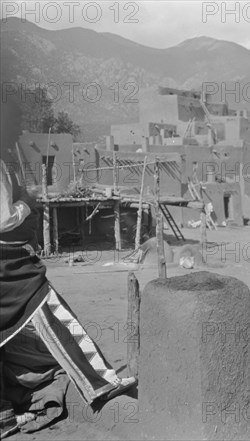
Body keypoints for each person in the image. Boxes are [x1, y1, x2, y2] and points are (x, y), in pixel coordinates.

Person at [0, 97, 136, 436]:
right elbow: (2, 218)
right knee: (51, 311)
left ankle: (9, 408)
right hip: (9, 264)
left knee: (10, 336)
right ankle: (100, 382)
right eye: (15, 126)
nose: (18, 133)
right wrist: (26, 204)